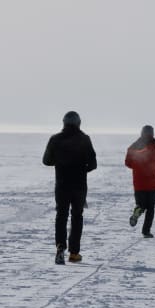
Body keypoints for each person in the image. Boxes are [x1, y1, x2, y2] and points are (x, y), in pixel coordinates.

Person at [43, 110, 97, 263]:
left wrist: (60, 163)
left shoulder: (55, 139)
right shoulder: (85, 139)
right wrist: (81, 168)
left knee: (61, 216)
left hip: (62, 184)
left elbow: (46, 161)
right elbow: (93, 164)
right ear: (78, 123)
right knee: (77, 216)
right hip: (79, 185)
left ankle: (60, 247)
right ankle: (74, 253)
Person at [124, 125, 155, 238]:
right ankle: (146, 231)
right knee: (150, 208)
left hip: (138, 183)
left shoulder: (134, 146)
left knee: (141, 205)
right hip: (152, 184)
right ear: (152, 134)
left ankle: (137, 213)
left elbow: (128, 162)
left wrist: (138, 166)